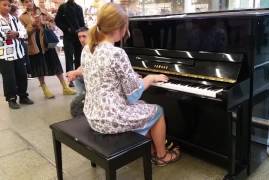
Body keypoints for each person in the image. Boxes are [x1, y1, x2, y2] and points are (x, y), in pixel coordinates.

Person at [82, 3, 180, 166]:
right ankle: (162, 156)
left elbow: (104, 79)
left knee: (142, 107)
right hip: (110, 119)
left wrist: (132, 77)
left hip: (93, 114)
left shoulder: (88, 48)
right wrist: (149, 78)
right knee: (157, 111)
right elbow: (133, 94)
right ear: (121, 27)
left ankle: (150, 149)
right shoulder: (116, 53)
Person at [19, 0, 76, 99]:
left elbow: (52, 22)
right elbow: (23, 33)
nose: (29, 3)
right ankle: (45, 89)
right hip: (34, 44)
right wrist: (32, 26)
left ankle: (65, 87)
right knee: (39, 68)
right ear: (23, 4)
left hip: (47, 42)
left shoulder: (42, 11)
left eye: (30, 1)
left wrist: (44, 23)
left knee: (55, 64)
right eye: (26, 2)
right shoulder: (22, 17)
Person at [0, 0, 33, 109]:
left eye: (9, 5)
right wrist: (5, 36)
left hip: (19, 52)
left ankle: (23, 96)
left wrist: (17, 33)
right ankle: (11, 99)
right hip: (4, 55)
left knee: (22, 75)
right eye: (4, 5)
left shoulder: (14, 19)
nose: (7, 7)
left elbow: (24, 32)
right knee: (9, 78)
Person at [54, 0, 84, 87]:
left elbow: (82, 22)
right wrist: (66, 29)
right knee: (69, 57)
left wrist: (83, 32)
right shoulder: (63, 7)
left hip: (78, 37)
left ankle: (79, 76)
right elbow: (57, 20)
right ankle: (70, 79)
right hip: (68, 37)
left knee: (79, 57)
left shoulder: (79, 8)